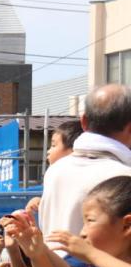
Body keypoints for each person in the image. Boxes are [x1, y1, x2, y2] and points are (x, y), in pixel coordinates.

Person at [38, 85, 131, 239]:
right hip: (99, 263)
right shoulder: (124, 176)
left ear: (83, 122)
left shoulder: (55, 170)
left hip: (49, 260)